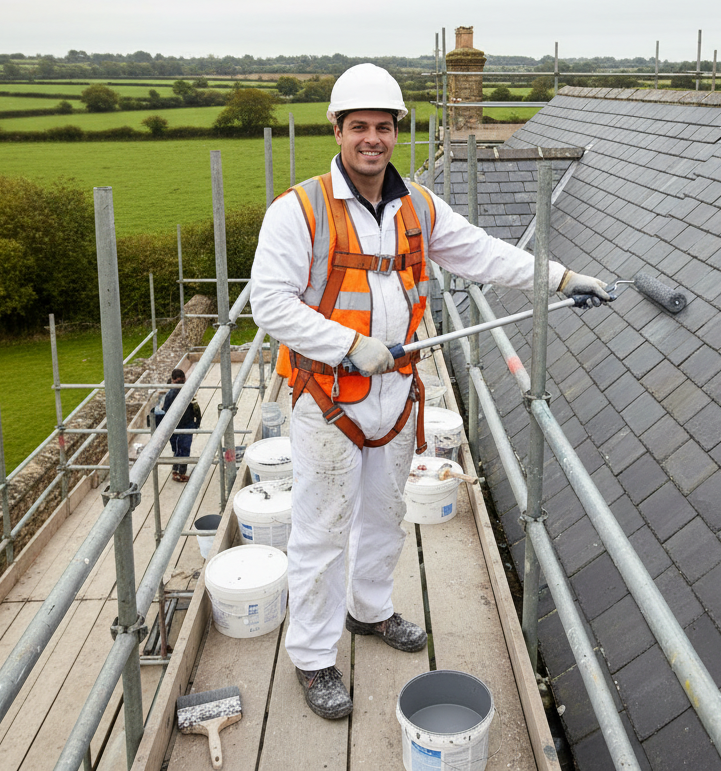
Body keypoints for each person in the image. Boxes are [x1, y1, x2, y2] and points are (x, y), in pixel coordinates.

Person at [250, 63, 610, 719]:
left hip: (394, 394)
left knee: (385, 514)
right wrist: (347, 343)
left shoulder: (417, 205)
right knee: (322, 529)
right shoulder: (298, 211)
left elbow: (482, 252)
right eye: (359, 126)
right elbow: (270, 303)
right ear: (337, 130)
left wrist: (559, 277)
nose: (373, 139)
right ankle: (313, 655)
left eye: (384, 127)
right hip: (327, 397)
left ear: (396, 131)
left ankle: (370, 610)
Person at [161, 367, 201, 482]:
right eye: (178, 382)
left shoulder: (181, 392)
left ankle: (178, 471)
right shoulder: (176, 394)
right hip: (180, 426)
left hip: (184, 424)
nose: (180, 384)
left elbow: (195, 407)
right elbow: (195, 408)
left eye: (181, 381)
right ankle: (178, 472)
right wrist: (196, 422)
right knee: (182, 449)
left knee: (181, 449)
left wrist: (196, 423)